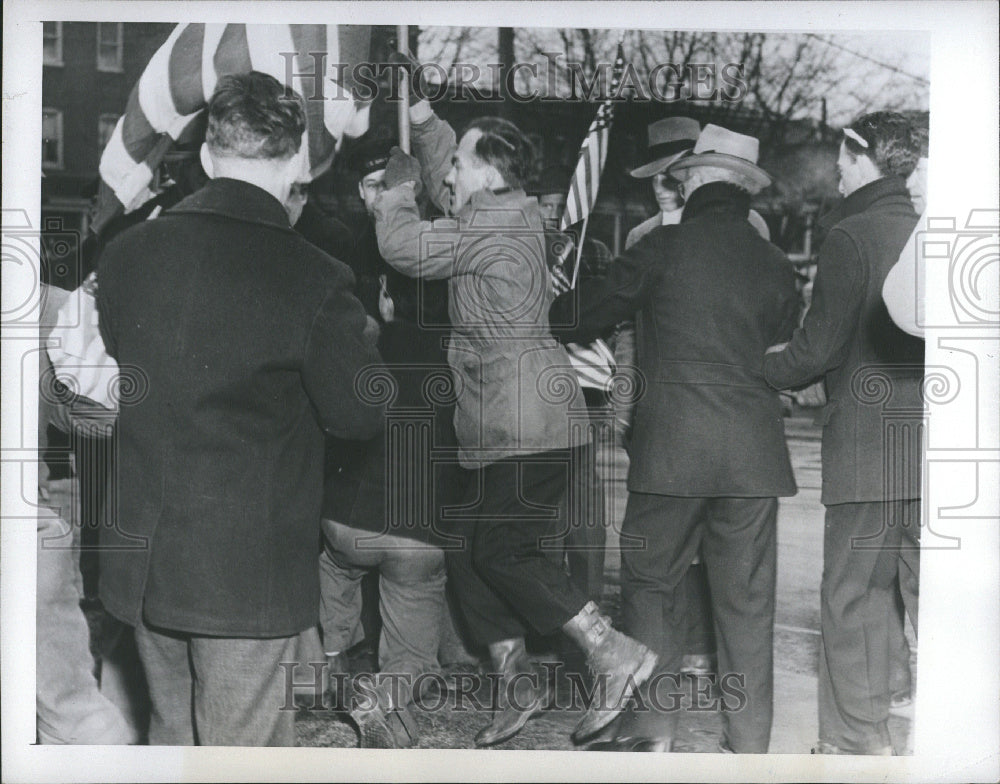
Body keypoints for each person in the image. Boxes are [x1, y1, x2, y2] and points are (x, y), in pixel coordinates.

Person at [94, 71, 385, 746]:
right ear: (295, 162)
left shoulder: (126, 254)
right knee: (244, 753)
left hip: (139, 559)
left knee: (172, 733)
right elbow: (361, 416)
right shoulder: (316, 276)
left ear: (204, 155)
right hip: (244, 578)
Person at [371, 82, 658, 748]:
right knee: (471, 551)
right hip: (509, 422)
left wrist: (392, 191)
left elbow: (404, 247)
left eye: (464, 165)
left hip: (526, 423)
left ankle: (611, 652)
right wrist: (422, 117)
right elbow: (449, 170)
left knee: (506, 551)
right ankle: (516, 682)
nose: (451, 173)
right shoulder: (498, 208)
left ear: (491, 175)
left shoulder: (490, 225)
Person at [552, 123, 800, 753]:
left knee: (652, 587)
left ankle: (653, 734)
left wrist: (555, 297)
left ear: (693, 179)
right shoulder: (776, 263)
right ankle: (751, 748)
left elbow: (581, 315)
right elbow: (780, 348)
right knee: (746, 608)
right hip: (753, 458)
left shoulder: (664, 246)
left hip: (671, 454)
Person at [763, 111, 923, 755]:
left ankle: (857, 742)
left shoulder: (850, 236)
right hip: (936, 452)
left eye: (842, 154)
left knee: (853, 595)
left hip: (866, 450)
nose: (834, 166)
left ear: (863, 158)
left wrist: (758, 363)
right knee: (914, 596)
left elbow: (815, 352)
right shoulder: (929, 230)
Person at [317, 147, 471, 748]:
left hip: (349, 519)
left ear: (385, 299)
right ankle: (393, 713)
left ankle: (328, 659)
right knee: (410, 640)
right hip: (421, 532)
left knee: (333, 565)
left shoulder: (365, 351)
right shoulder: (461, 359)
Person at [530, 164, 613, 606]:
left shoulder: (593, 253)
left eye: (558, 206)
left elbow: (606, 315)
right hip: (538, 388)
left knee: (578, 494)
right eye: (542, 205)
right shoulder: (523, 253)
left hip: (582, 386)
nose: (550, 214)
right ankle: (549, 606)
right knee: (544, 501)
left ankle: (585, 600)